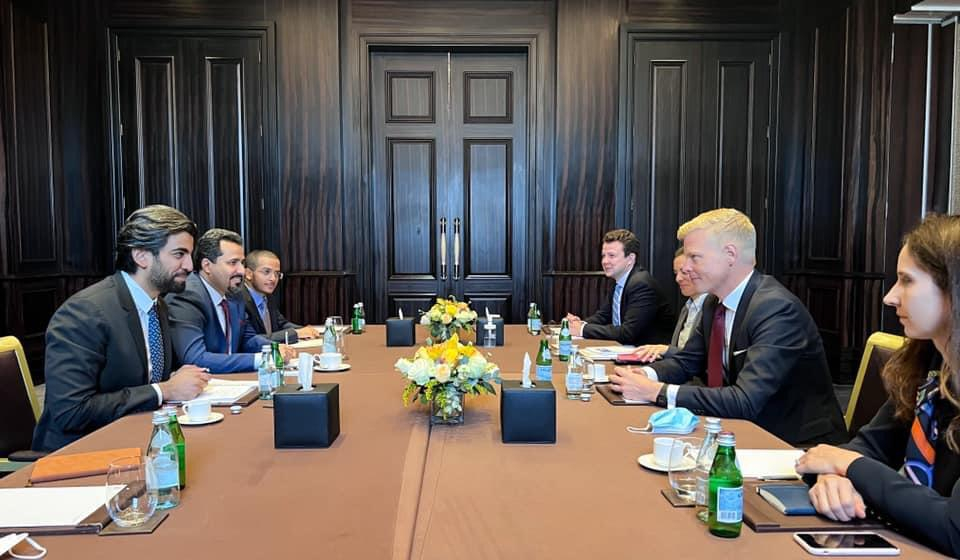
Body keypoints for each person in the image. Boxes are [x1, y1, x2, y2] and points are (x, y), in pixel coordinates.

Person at [608, 209, 847, 446]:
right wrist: (645, 375)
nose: (686, 267)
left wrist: (656, 391)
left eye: (694, 257)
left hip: (794, 444)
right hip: (740, 430)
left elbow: (745, 400)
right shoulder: (714, 302)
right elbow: (686, 362)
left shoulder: (776, 308)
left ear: (730, 255)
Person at [796, 214, 960, 557]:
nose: (889, 297)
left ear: (953, 289)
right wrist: (835, 478)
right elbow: (869, 446)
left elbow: (954, 528)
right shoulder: (931, 362)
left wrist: (850, 467)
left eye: (907, 280)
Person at [33, 205, 211, 452]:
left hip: (138, 437)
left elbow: (142, 379)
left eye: (190, 255)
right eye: (179, 254)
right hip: (81, 452)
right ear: (141, 256)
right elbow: (71, 411)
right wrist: (165, 390)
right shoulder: (85, 312)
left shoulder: (157, 304)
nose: (190, 266)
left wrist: (174, 380)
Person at [166, 228, 296, 373]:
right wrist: (264, 359)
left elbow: (247, 339)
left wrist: (273, 348)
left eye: (242, 262)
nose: (241, 270)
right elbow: (196, 359)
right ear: (207, 266)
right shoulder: (185, 296)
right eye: (233, 263)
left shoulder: (234, 294)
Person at [566, 229, 675, 344]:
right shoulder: (619, 280)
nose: (605, 261)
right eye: (603, 256)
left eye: (611, 256)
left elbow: (627, 333)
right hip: (625, 348)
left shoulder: (641, 284)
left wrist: (582, 329)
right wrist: (580, 323)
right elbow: (603, 316)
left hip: (647, 351)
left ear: (630, 259)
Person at [627, 248, 708, 362]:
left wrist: (666, 350)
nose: (678, 279)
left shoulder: (712, 310)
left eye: (684, 272)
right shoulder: (687, 307)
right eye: (676, 273)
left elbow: (700, 359)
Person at [241, 250, 319, 343]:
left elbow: (281, 324)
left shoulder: (267, 295)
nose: (273, 279)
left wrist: (305, 330)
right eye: (266, 272)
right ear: (248, 274)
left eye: (277, 274)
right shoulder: (238, 301)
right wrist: (296, 333)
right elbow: (251, 340)